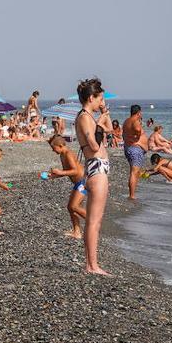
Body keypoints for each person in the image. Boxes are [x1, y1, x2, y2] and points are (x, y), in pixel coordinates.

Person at [74, 78, 110, 275]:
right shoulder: (85, 118)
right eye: (99, 99)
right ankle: (91, 265)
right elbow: (94, 146)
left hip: (96, 167)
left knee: (95, 219)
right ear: (91, 98)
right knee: (94, 221)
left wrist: (102, 117)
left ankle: (91, 264)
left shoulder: (87, 116)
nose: (101, 103)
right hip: (96, 167)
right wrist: (99, 128)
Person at [45, 135, 86, 239]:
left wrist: (60, 172)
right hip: (78, 183)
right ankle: (77, 232)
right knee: (70, 207)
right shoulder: (62, 155)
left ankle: (94, 220)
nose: (53, 151)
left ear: (60, 145)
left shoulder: (68, 154)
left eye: (54, 148)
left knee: (74, 206)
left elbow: (75, 171)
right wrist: (54, 176)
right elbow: (66, 172)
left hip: (83, 182)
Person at [121, 105, 147, 201]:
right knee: (134, 172)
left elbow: (124, 134)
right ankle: (132, 195)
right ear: (138, 112)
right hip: (135, 149)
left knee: (135, 172)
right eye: (141, 113)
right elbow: (137, 130)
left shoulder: (126, 121)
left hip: (131, 148)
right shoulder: (135, 121)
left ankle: (132, 194)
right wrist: (139, 135)